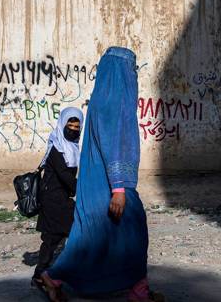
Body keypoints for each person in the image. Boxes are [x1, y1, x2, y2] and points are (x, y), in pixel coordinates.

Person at [37, 47, 152, 302]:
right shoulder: (115, 102)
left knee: (90, 237)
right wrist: (119, 189)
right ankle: (138, 291)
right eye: (130, 70)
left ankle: (55, 276)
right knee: (134, 230)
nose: (133, 75)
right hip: (111, 186)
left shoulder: (100, 100)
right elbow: (115, 144)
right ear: (120, 73)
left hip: (95, 187)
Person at [31, 107, 84, 291]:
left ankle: (40, 275)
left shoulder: (72, 147)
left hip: (60, 198)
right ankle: (54, 275)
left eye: (77, 126)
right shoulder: (57, 148)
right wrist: (84, 190)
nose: (73, 128)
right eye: (70, 124)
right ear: (62, 123)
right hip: (53, 199)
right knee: (75, 232)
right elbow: (64, 175)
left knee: (54, 238)